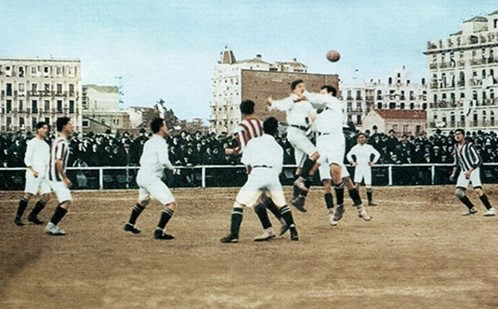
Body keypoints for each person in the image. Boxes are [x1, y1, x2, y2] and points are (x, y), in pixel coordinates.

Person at [220, 117, 299, 243]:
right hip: (272, 174)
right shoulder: (278, 147)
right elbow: (279, 167)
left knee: (239, 203)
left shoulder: (254, 142)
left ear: (262, 129)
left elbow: (246, 161)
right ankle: (292, 230)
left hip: (258, 173)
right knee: (280, 204)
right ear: (276, 131)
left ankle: (234, 235)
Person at [225, 100, 287, 241]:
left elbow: (242, 149)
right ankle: (281, 222)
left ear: (241, 112)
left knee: (256, 199)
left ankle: (268, 229)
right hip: (266, 162)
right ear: (253, 109)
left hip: (253, 165)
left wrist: (230, 151)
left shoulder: (241, 126)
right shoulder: (260, 123)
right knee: (262, 197)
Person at [307, 85, 370, 221]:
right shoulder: (320, 114)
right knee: (327, 183)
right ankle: (332, 212)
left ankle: (360, 208)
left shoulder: (335, 106)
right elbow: (310, 128)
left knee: (346, 180)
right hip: (322, 146)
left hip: (334, 142)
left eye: (323, 93)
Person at [267, 79, 319, 212]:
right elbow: (282, 105)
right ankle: (300, 181)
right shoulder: (292, 100)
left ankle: (297, 198)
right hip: (295, 131)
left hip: (304, 133)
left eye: (303, 86)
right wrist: (272, 104)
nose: (302, 88)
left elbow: (313, 116)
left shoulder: (307, 103)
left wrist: (313, 124)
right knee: (315, 154)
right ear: (294, 89)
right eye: (300, 86)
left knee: (300, 166)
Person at [123, 118, 178, 239]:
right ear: (161, 128)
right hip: (151, 178)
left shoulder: (149, 142)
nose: (167, 128)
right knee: (171, 204)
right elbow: (164, 161)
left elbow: (142, 160)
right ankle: (159, 231)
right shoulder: (161, 142)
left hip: (142, 175)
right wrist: (173, 168)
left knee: (144, 201)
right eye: (166, 125)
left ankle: (130, 224)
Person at [449, 129, 496, 216]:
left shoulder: (469, 145)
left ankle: (490, 208)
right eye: (455, 134)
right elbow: (456, 161)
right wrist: (453, 173)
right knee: (458, 192)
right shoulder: (456, 146)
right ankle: (471, 208)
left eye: (459, 134)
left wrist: (470, 171)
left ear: (463, 135)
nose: (457, 136)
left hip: (473, 170)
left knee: (478, 190)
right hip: (463, 171)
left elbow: (478, 159)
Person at [14, 122, 51, 226]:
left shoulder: (46, 145)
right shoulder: (32, 142)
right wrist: (33, 170)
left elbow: (47, 160)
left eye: (47, 128)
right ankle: (18, 217)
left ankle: (32, 215)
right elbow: (27, 158)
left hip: (43, 174)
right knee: (28, 194)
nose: (46, 130)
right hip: (33, 173)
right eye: (43, 128)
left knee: (47, 196)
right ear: (38, 129)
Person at [44, 117, 73, 236]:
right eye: (69, 124)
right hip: (56, 176)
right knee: (66, 201)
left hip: (51, 175)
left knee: (65, 200)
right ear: (64, 126)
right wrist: (64, 177)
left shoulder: (57, 140)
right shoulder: (61, 143)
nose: (71, 126)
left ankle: (52, 225)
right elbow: (59, 161)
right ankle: (52, 225)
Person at [346, 132, 381, 206]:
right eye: (360, 137)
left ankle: (370, 201)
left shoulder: (369, 147)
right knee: (357, 184)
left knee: (368, 184)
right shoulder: (355, 148)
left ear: (365, 139)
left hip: (367, 167)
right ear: (357, 139)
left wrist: (373, 162)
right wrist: (352, 162)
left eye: (363, 137)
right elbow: (348, 155)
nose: (362, 139)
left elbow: (377, 154)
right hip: (359, 167)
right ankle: (356, 201)